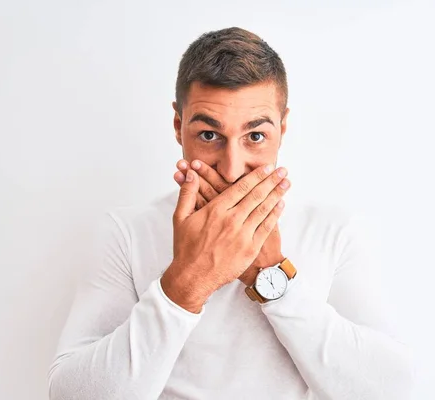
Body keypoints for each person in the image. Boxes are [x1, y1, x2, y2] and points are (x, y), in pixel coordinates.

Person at [48, 27, 413, 400]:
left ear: (282, 128)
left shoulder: (334, 231)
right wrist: (187, 281)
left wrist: (269, 276)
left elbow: (391, 389)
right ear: (178, 126)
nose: (232, 169)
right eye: (209, 135)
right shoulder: (126, 232)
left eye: (255, 136)